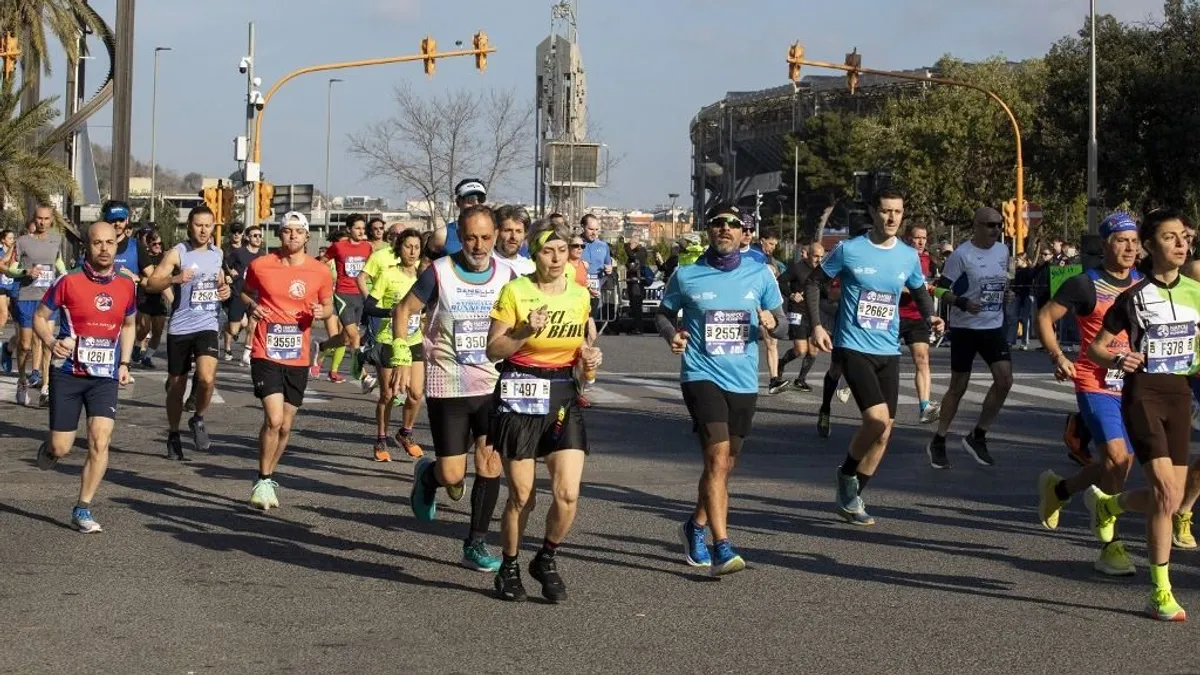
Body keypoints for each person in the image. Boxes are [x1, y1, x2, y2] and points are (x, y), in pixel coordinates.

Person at [1083, 208, 1200, 621]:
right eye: (1170, 237)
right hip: (1143, 395)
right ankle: (1160, 592)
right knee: (1167, 496)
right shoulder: (1131, 297)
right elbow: (1097, 347)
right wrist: (1121, 359)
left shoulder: (1196, 291)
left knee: (1169, 498)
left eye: (1184, 236)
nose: (1181, 243)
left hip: (1181, 396)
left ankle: (1110, 506)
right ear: (1151, 246)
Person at [658, 204, 788, 574]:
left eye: (734, 225)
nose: (726, 229)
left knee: (726, 465)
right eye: (718, 223)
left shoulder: (761, 274)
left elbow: (782, 325)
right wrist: (673, 334)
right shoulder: (687, 274)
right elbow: (664, 313)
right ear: (709, 230)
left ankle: (695, 525)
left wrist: (771, 322)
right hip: (701, 374)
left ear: (743, 232)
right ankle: (722, 546)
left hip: (743, 380)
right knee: (716, 458)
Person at [805, 190, 943, 525]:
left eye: (898, 211)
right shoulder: (850, 250)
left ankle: (853, 495)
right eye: (885, 211)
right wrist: (817, 327)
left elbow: (921, 291)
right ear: (873, 212)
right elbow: (813, 283)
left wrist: (931, 317)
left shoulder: (908, 256)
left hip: (888, 350)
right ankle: (846, 473)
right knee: (877, 420)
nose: (892, 218)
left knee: (885, 433)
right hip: (854, 346)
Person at [392, 205, 514, 572]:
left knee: (490, 462)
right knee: (452, 475)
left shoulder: (507, 275)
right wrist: (401, 355)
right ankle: (428, 475)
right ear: (459, 236)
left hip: (492, 383)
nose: (479, 246)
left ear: (495, 237)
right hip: (448, 382)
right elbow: (403, 310)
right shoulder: (439, 273)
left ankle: (475, 543)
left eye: (486, 238)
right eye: (471, 238)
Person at [486, 223, 602, 602]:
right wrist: (522, 330)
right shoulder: (515, 291)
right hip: (519, 394)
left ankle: (547, 557)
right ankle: (510, 565)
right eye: (547, 251)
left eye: (562, 250)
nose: (555, 258)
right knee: (522, 496)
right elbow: (493, 349)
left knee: (567, 494)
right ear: (535, 254)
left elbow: (585, 359)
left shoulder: (580, 296)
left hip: (561, 397)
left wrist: (589, 361)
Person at [1034, 212, 1140, 577]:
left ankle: (1061, 490)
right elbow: (1045, 317)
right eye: (1121, 240)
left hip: (1135, 385)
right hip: (1095, 382)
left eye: (1134, 240)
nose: (1129, 247)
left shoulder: (1144, 283)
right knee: (1117, 457)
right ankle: (1111, 546)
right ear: (1106, 245)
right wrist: (1058, 356)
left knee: (1118, 462)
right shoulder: (1085, 284)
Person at [33, 221, 137, 533]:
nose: (104, 249)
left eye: (109, 242)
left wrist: (125, 363)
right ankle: (51, 449)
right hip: (68, 373)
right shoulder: (69, 282)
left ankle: (83, 508)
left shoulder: (126, 286)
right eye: (97, 243)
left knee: (100, 440)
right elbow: (40, 317)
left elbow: (129, 325)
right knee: (63, 447)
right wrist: (52, 343)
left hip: (104, 376)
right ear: (87, 247)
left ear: (116, 245)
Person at [239, 212, 334, 509]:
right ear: (278, 235)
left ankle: (269, 477)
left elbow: (329, 305)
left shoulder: (319, 271)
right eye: (287, 231)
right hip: (265, 350)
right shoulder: (261, 265)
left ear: (307, 236)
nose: (293, 236)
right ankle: (263, 479)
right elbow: (245, 293)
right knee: (274, 418)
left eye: (298, 231)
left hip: (297, 354)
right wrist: (253, 306)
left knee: (286, 425)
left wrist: (323, 313)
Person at [927, 207, 1014, 468]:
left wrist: (1006, 295)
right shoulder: (961, 255)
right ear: (976, 226)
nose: (996, 230)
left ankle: (978, 435)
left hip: (993, 325)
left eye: (999, 225)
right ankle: (939, 440)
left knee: (1005, 380)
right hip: (966, 328)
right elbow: (938, 289)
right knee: (959, 387)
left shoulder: (1003, 251)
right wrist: (962, 302)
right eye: (990, 225)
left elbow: (1001, 283)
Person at [143, 206, 232, 460]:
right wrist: (174, 279)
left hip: (208, 325)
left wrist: (225, 292)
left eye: (208, 225)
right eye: (198, 225)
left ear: (214, 227)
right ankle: (173, 433)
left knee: (206, 378)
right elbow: (151, 284)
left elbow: (221, 285)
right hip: (181, 327)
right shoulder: (177, 253)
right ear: (189, 226)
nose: (203, 230)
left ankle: (198, 418)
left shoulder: (218, 254)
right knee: (177, 385)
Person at [360, 228, 426, 462]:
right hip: (388, 339)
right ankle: (380, 439)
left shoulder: (423, 278)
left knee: (416, 393)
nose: (412, 251)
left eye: (417, 247)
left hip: (414, 339)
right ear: (400, 248)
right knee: (388, 394)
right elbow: (368, 306)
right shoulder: (388, 274)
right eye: (408, 246)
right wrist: (394, 312)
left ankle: (405, 433)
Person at [8, 204, 66, 407]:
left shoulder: (57, 239)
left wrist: (66, 279)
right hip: (26, 297)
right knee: (25, 345)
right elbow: (10, 270)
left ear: (51, 220)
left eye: (46, 219)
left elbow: (58, 264)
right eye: (39, 218)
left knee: (47, 344)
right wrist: (25, 273)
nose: (42, 222)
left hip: (47, 300)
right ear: (35, 218)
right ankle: (22, 381)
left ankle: (45, 387)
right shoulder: (22, 242)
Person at [318, 214, 375, 390]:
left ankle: (321, 347)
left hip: (360, 295)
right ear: (349, 229)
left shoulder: (367, 247)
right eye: (357, 228)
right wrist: (324, 281)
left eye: (363, 228)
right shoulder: (338, 246)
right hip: (343, 295)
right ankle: (361, 375)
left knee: (344, 339)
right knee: (354, 336)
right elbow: (322, 262)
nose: (361, 231)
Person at [899, 223, 941, 423]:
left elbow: (928, 285)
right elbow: (894, 284)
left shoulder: (927, 259)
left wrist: (931, 289)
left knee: (922, 360)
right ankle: (849, 379)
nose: (921, 241)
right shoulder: (899, 255)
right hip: (894, 314)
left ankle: (925, 406)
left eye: (924, 238)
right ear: (908, 238)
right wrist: (917, 289)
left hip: (917, 316)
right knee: (876, 360)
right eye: (917, 237)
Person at [776, 242, 825, 391]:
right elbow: (781, 281)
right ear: (808, 255)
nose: (819, 260)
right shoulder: (797, 268)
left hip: (813, 314)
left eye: (822, 257)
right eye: (816, 256)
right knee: (800, 350)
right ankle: (781, 363)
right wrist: (791, 294)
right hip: (796, 311)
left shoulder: (822, 271)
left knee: (814, 350)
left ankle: (800, 380)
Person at [224, 224, 266, 366]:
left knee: (253, 324)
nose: (258, 238)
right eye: (255, 235)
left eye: (260, 236)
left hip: (255, 295)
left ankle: (247, 354)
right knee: (234, 329)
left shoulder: (262, 255)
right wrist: (229, 273)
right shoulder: (239, 253)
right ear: (247, 237)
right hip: (238, 293)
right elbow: (225, 265)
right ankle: (226, 328)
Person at [133, 232, 170, 369]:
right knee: (144, 328)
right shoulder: (144, 258)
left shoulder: (165, 259)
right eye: (154, 244)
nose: (157, 246)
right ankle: (137, 345)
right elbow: (137, 276)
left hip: (159, 299)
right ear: (148, 245)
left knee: (158, 331)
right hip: (144, 298)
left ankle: (147, 357)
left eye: (159, 243)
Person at [428, 178, 488, 259]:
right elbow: (426, 267)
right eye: (470, 199)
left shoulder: (494, 234)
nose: (476, 204)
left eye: (480, 199)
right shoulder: (443, 235)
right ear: (458, 202)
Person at [493, 205, 535, 275]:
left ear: (525, 235)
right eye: (508, 230)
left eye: (518, 231)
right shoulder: (485, 263)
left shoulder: (530, 268)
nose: (513, 237)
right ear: (496, 232)